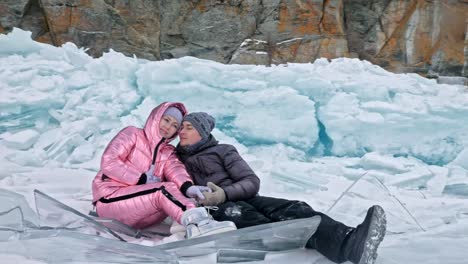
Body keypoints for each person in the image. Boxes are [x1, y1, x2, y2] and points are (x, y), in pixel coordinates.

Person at [176, 112, 387, 264]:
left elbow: (250, 181)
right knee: (242, 215)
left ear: (203, 133)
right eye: (181, 127)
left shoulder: (223, 151)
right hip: (212, 210)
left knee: (295, 209)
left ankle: (349, 243)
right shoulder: (173, 159)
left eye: (189, 127)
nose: (181, 131)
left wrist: (224, 193)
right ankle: (285, 248)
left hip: (239, 196)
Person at [91, 102, 236, 239]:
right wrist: (141, 179)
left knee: (177, 192)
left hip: (142, 214)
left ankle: (191, 225)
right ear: (156, 117)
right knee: (162, 190)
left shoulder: (168, 151)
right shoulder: (133, 134)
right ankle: (197, 225)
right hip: (110, 200)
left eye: (174, 125)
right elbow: (109, 161)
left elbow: (176, 170)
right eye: (166, 120)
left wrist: (188, 187)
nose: (168, 127)